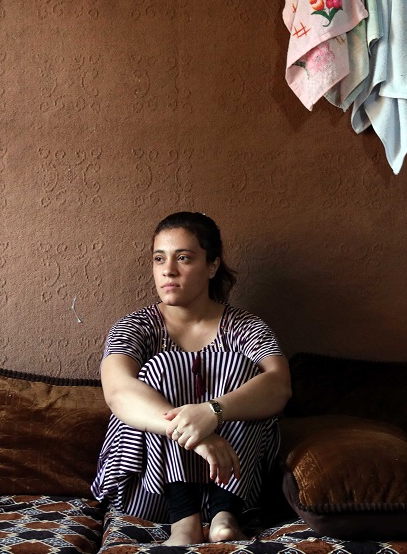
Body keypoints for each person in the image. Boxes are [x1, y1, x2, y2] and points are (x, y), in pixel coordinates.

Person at [91, 212, 291, 545]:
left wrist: (212, 412)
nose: (168, 270)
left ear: (212, 266)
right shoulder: (136, 327)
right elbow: (118, 391)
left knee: (244, 370)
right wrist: (196, 434)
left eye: (183, 258)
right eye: (159, 259)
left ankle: (224, 515)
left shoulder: (245, 327)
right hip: (152, 490)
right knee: (160, 369)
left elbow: (279, 385)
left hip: (238, 484)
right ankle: (183, 518)